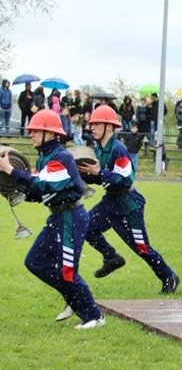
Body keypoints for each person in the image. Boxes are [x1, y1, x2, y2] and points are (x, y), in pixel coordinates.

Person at [0, 110, 104, 328]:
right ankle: (73, 297)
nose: (31, 135)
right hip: (58, 218)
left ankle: (94, 316)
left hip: (70, 218)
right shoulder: (45, 157)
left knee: (67, 271)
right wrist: (16, 191)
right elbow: (39, 193)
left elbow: (43, 184)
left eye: (35, 131)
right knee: (35, 262)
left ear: (49, 133)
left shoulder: (61, 157)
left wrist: (10, 170)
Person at [78, 105, 179, 293]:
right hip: (110, 203)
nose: (92, 127)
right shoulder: (100, 148)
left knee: (141, 247)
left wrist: (99, 172)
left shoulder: (119, 150)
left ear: (109, 126)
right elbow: (103, 178)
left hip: (128, 206)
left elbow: (124, 181)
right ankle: (111, 257)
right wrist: (84, 174)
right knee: (84, 227)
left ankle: (169, 276)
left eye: (96, 124)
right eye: (91, 124)